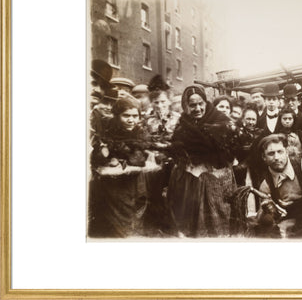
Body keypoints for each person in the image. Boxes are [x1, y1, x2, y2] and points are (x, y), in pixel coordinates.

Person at [167, 85, 237, 237]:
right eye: (192, 105)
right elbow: (177, 148)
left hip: (216, 180)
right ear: (186, 106)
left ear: (206, 103)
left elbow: (230, 151)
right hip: (190, 181)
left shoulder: (220, 120)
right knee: (191, 222)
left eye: (201, 104)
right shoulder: (183, 123)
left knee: (216, 220)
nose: (197, 108)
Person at [89, 97, 153, 238]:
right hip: (112, 187)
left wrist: (118, 157)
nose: (131, 120)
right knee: (115, 224)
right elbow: (97, 157)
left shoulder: (140, 133)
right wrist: (104, 153)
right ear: (117, 116)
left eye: (135, 116)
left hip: (135, 183)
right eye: (126, 116)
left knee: (135, 218)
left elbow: (139, 158)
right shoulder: (107, 131)